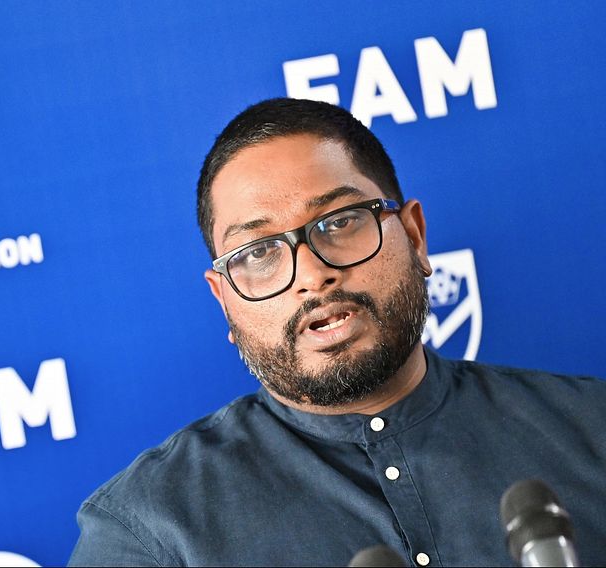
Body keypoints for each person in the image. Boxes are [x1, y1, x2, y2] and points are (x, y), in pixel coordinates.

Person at [68, 99, 606, 567]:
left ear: (415, 237)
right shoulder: (148, 532)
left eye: (340, 222)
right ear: (224, 300)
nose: (311, 274)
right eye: (259, 252)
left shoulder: (592, 428)